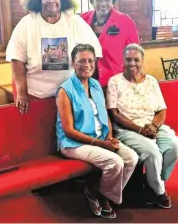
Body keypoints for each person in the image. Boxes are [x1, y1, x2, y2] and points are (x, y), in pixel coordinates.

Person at [56, 44, 138, 219]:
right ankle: (99, 195)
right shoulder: (65, 90)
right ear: (73, 63)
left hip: (100, 138)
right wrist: (101, 144)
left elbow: (104, 114)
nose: (87, 65)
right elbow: (69, 130)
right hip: (74, 143)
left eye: (90, 61)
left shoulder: (95, 85)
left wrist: (109, 136)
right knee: (115, 162)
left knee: (132, 158)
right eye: (81, 61)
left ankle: (100, 192)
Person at [106, 43, 178, 209]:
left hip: (152, 127)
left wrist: (153, 127)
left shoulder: (151, 81)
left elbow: (162, 109)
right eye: (128, 59)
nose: (132, 63)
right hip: (127, 130)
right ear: (123, 61)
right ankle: (159, 192)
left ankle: (153, 182)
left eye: (136, 60)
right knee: (153, 153)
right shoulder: (115, 82)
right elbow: (115, 114)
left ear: (142, 62)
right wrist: (141, 130)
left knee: (175, 146)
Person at [6, 0, 102, 114]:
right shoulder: (27, 23)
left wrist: (86, 86)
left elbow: (93, 53)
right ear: (39, 0)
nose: (51, 1)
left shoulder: (75, 22)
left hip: (69, 94)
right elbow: (17, 60)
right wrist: (22, 93)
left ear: (61, 0)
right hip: (35, 95)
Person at [81, 0, 140, 88]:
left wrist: (132, 81)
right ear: (92, 1)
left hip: (116, 83)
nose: (103, 4)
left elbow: (135, 54)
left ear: (112, 1)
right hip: (86, 83)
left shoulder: (125, 21)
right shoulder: (81, 20)